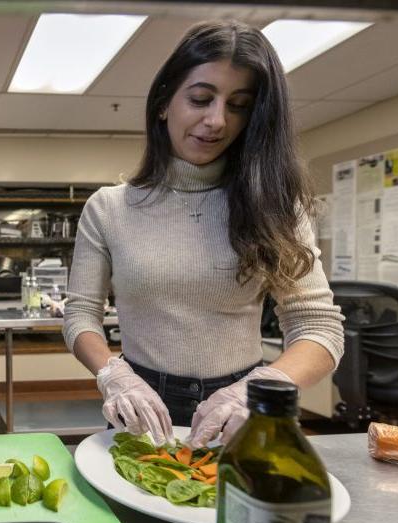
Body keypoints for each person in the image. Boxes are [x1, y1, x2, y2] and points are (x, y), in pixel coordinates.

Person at [63, 20, 344, 449]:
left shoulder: (276, 206)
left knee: (237, 515)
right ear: (163, 103)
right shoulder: (109, 208)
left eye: (239, 105)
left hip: (243, 407)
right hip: (143, 406)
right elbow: (81, 314)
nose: (216, 121)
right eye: (200, 98)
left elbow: (320, 328)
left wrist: (261, 388)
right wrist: (113, 374)